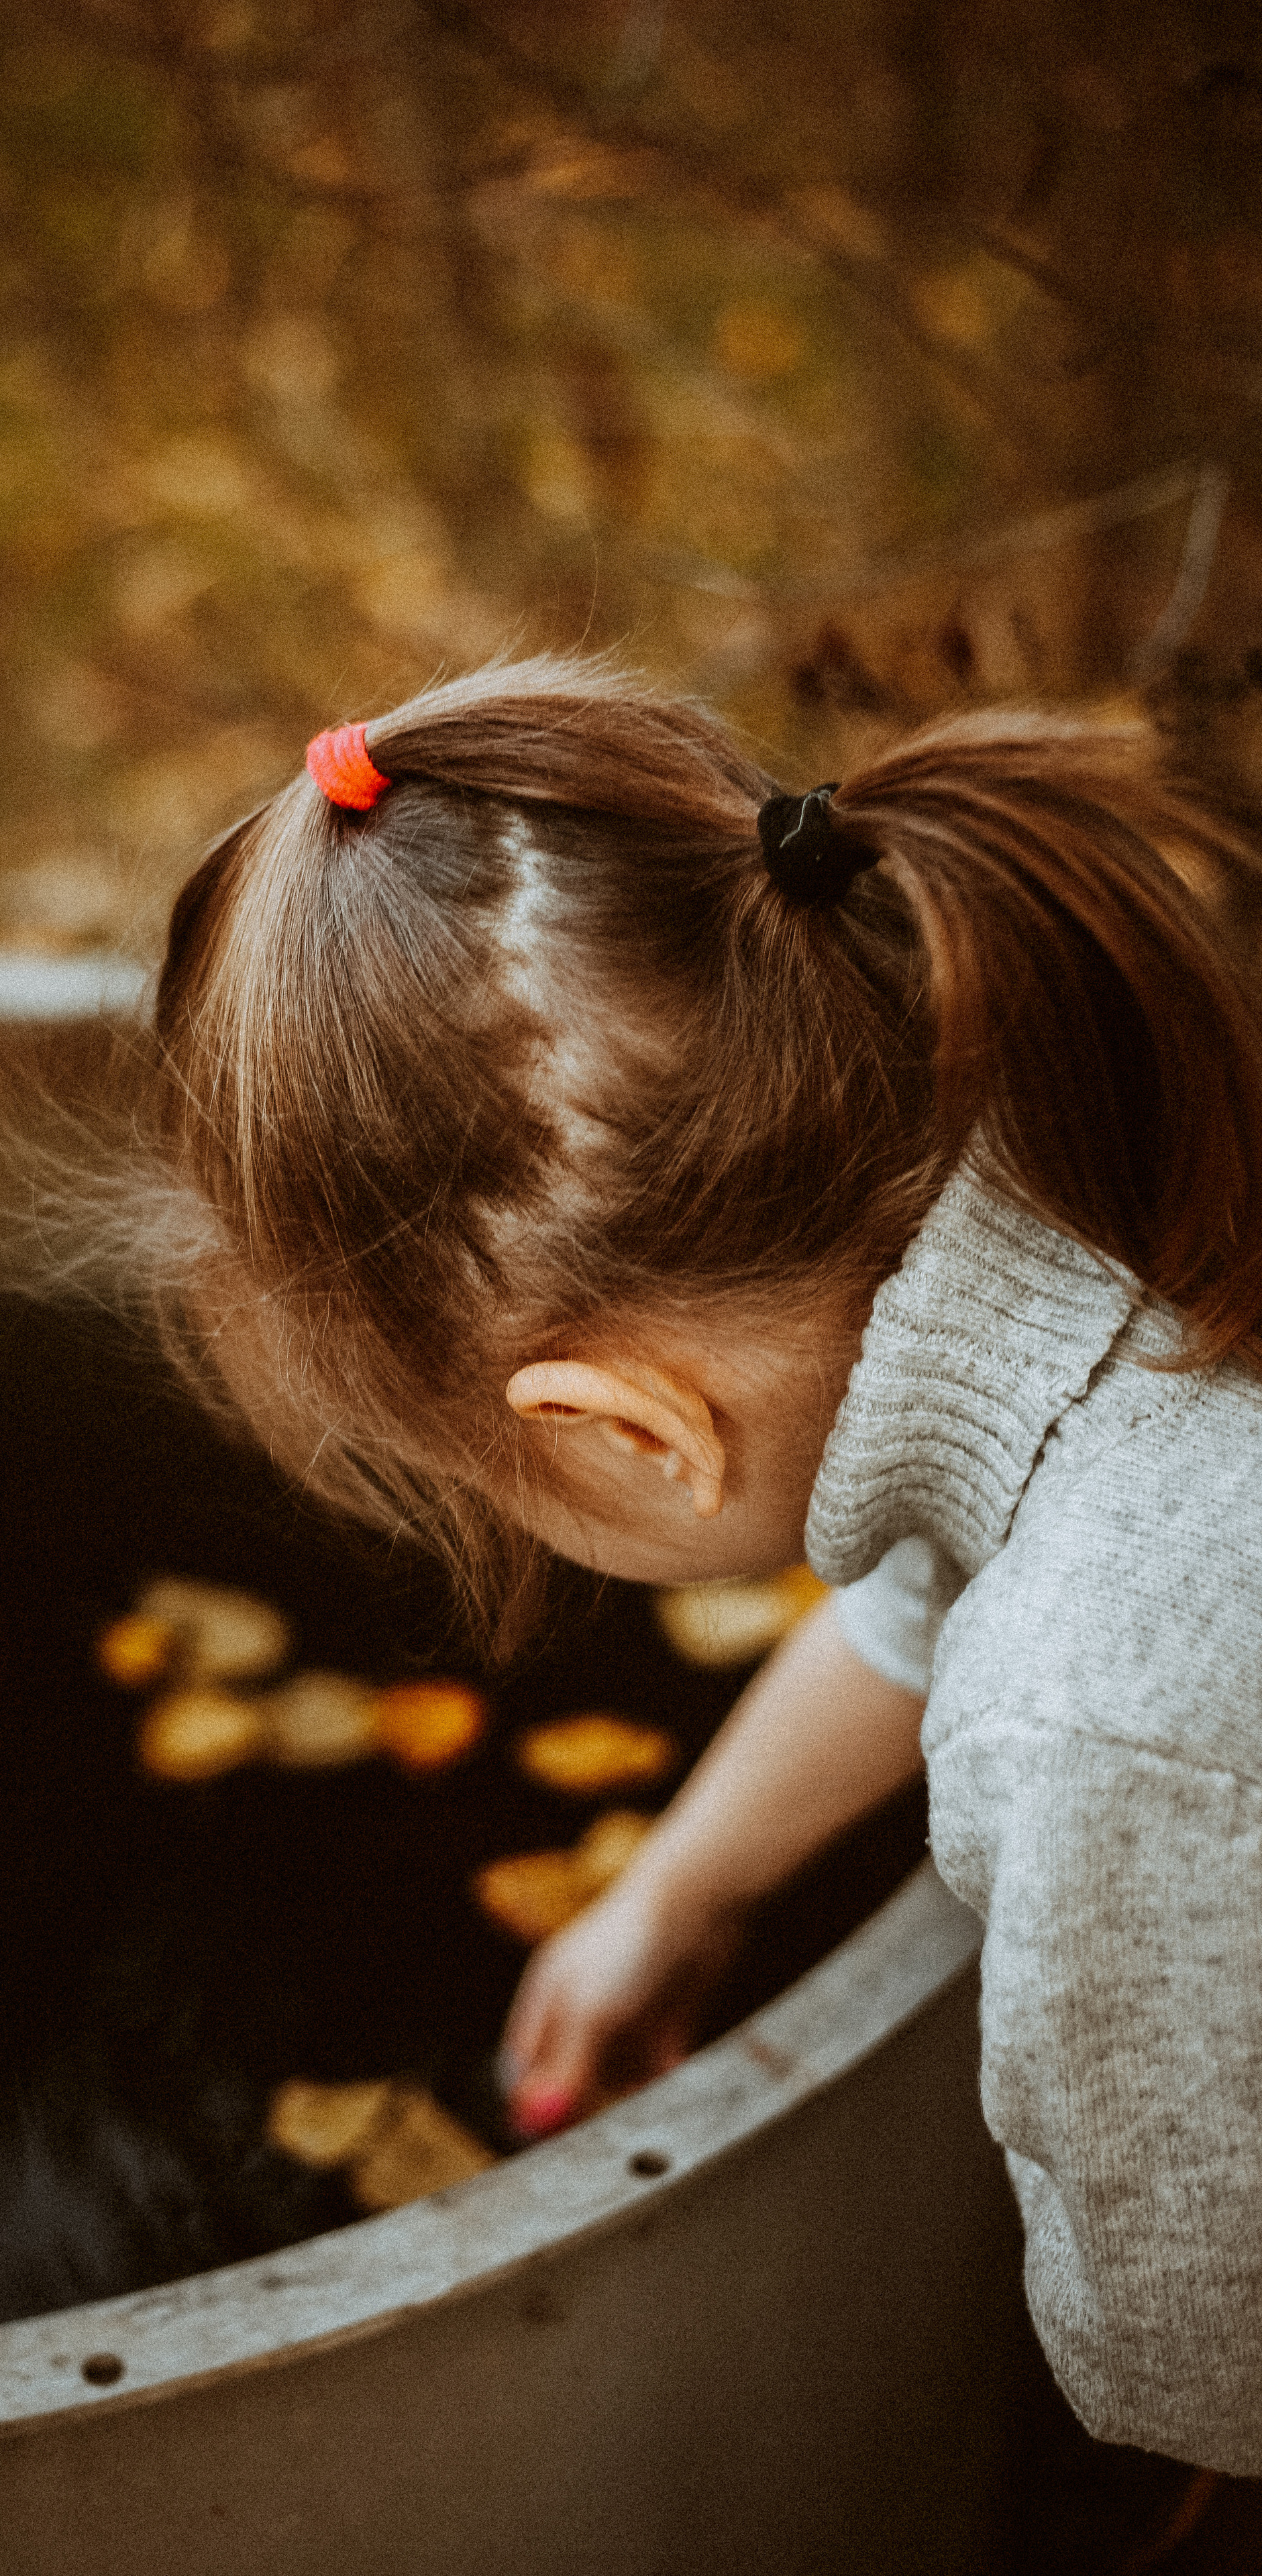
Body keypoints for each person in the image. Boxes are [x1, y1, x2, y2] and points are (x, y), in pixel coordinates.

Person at [109, 654, 1262, 2479]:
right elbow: (926, 1587)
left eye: (492, 1490)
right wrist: (685, 1888)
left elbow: (1207, 2360)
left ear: (632, 1435)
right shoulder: (1094, 1136)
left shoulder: (1096, 1729)